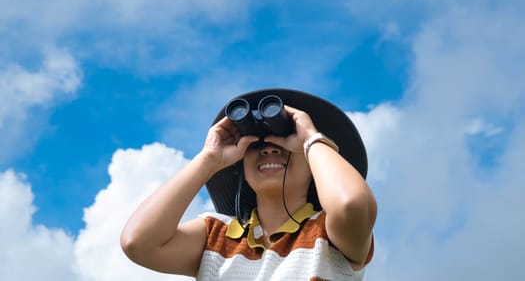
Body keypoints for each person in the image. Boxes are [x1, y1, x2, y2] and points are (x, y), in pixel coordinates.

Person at [120, 88, 377, 280]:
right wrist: (209, 159)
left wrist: (310, 138)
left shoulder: (329, 233)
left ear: (314, 163)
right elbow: (138, 243)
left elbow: (351, 204)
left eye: (283, 139)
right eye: (255, 143)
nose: (268, 149)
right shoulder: (215, 238)